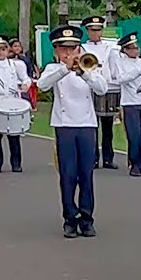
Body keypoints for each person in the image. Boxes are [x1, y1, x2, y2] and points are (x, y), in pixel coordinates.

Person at [36, 25, 110, 238]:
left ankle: (87, 218)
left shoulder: (89, 67)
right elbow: (42, 85)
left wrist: (84, 73)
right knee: (68, 175)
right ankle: (69, 218)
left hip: (87, 125)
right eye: (64, 49)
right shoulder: (53, 68)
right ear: (56, 51)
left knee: (86, 174)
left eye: (73, 48)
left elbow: (102, 89)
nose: (69, 53)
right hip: (65, 125)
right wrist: (65, 68)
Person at [81, 16, 120, 170]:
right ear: (88, 31)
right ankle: (94, 158)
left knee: (108, 127)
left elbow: (114, 67)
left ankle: (108, 159)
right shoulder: (83, 47)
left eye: (98, 30)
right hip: (90, 88)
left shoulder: (109, 47)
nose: (95, 33)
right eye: (92, 30)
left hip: (107, 86)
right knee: (93, 127)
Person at [112, 34, 141, 177]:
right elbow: (121, 79)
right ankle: (134, 164)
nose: (136, 50)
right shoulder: (120, 63)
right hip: (130, 103)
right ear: (126, 50)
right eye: (133, 48)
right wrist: (137, 71)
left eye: (137, 47)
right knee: (134, 135)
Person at [0, 37, 32, 173]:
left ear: (8, 50)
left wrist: (26, 84)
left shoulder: (16, 64)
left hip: (12, 100)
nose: (0, 52)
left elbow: (26, 78)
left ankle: (16, 163)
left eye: (3, 49)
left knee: (14, 135)